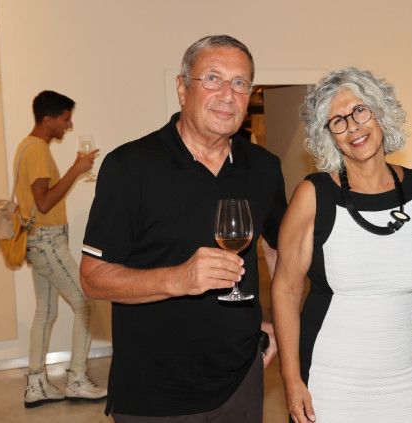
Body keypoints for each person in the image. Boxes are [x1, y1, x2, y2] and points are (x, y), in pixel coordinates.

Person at [79, 35, 287, 422]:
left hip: (241, 380)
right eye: (212, 79)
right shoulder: (129, 167)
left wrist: (283, 326)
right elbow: (92, 279)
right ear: (181, 88)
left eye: (240, 83)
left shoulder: (264, 167)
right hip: (155, 393)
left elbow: (278, 250)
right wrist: (179, 279)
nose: (227, 95)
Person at [271, 67, 412, 423]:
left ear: (380, 112)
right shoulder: (312, 196)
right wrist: (291, 379)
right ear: (328, 135)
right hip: (330, 384)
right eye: (338, 121)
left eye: (360, 110)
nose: (353, 127)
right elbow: (286, 290)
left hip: (406, 382)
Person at [15, 90, 106, 408]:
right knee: (86, 302)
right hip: (48, 240)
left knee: (46, 311)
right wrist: (76, 170)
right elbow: (44, 202)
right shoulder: (37, 150)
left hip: (38, 240)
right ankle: (77, 381)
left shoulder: (27, 146)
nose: (69, 125)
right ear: (48, 119)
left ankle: (36, 384)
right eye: (66, 119)